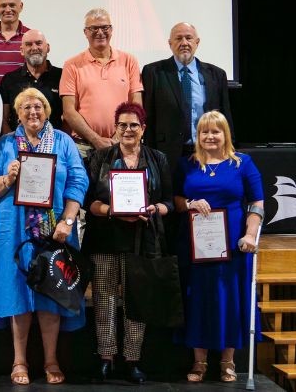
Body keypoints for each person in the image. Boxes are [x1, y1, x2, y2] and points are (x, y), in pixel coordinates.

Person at [0, 88, 87, 385]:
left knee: (51, 292)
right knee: (17, 292)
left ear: (47, 111)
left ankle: (51, 359)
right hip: (14, 229)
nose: (33, 112)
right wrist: (8, 178)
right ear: (17, 113)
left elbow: (79, 182)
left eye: (39, 106)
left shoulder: (64, 143)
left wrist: (68, 221)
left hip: (55, 228)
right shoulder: (5, 145)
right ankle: (19, 360)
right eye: (26, 107)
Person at [82, 102, 173, 384]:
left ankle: (133, 359)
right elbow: (89, 201)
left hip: (143, 239)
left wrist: (153, 209)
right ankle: (106, 358)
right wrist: (111, 210)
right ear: (115, 128)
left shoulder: (158, 159)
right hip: (106, 237)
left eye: (134, 125)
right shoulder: (101, 158)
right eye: (122, 125)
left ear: (143, 129)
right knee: (105, 300)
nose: (128, 130)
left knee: (137, 300)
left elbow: (169, 201)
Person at [173, 111, 263, 383]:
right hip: (196, 245)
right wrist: (189, 204)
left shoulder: (243, 164)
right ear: (197, 135)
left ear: (226, 134)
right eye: (204, 132)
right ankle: (199, 362)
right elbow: (176, 199)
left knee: (230, 299)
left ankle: (227, 362)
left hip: (234, 245)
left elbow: (257, 203)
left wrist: (250, 234)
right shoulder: (187, 165)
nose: (210, 137)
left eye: (216, 131)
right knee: (197, 298)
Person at [142, 22, 233, 173]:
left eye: (188, 38)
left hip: (207, 151)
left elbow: (225, 116)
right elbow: (149, 116)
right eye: (178, 38)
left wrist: (229, 149)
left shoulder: (216, 74)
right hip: (167, 153)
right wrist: (149, 155)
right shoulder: (154, 72)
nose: (184, 43)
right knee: (172, 196)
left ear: (197, 42)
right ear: (170, 44)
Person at [60, 8, 143, 157]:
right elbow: (68, 111)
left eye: (105, 27)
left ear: (111, 30)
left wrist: (119, 137)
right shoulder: (71, 65)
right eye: (93, 28)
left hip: (123, 144)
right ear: (85, 32)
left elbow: (136, 106)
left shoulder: (129, 61)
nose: (100, 32)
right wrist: (96, 139)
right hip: (83, 148)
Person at [0, 29, 62, 133]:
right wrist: (12, 143)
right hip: (19, 146)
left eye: (38, 43)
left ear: (48, 47)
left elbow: (69, 116)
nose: (34, 48)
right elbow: (3, 120)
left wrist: (61, 142)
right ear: (22, 50)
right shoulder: (9, 80)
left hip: (55, 146)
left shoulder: (62, 76)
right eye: (28, 44)